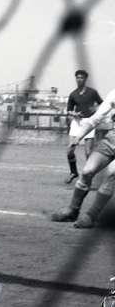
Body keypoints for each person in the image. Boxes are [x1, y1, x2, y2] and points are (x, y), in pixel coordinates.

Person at [51, 88, 115, 228]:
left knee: (112, 174)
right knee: (87, 171)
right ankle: (72, 210)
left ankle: (91, 216)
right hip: (111, 139)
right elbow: (95, 119)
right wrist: (78, 137)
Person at [64, 70, 103, 184]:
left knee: (88, 152)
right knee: (70, 150)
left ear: (85, 79)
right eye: (77, 77)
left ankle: (87, 177)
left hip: (88, 123)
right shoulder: (73, 94)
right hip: (76, 123)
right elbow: (69, 110)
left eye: (81, 77)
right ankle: (73, 172)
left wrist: (95, 109)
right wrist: (74, 113)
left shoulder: (92, 92)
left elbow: (102, 104)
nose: (79, 79)